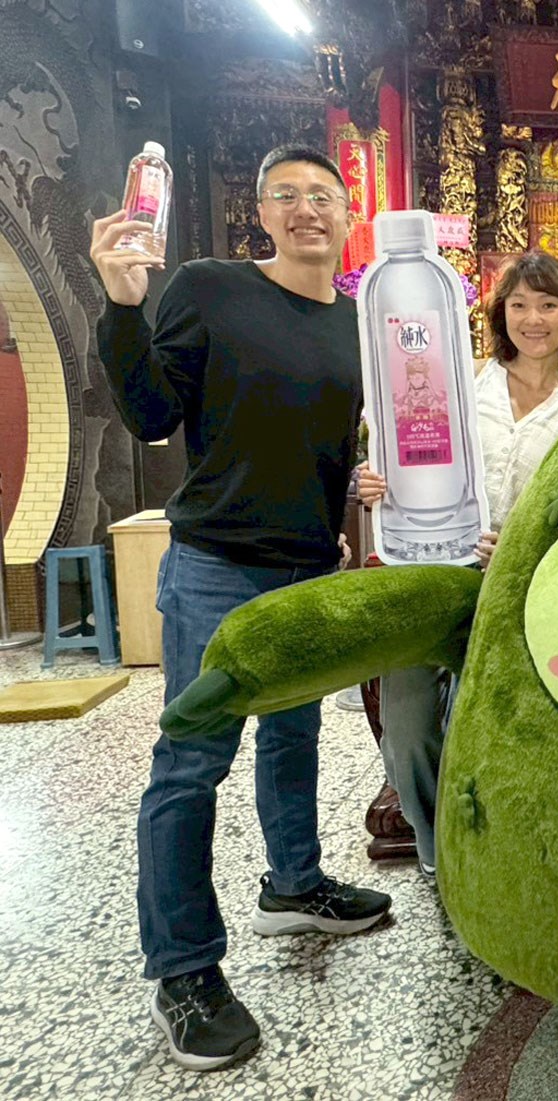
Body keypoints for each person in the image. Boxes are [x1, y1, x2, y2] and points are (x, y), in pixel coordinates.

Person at [90, 144, 392, 1071]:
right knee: (191, 765)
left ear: (347, 217)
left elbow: (332, 437)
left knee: (296, 735)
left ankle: (294, 884)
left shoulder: (356, 323)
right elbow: (150, 413)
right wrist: (123, 306)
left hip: (307, 563)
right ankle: (184, 969)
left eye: (324, 196)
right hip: (216, 564)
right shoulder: (210, 288)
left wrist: (354, 497)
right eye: (287, 195)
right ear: (261, 213)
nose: (308, 209)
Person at [359, 251, 558, 875]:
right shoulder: (459, 385)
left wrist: (521, 545)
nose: (532, 319)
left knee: (486, 720)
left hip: (515, 586)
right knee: (407, 721)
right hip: (432, 571)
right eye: (518, 305)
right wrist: (379, 480)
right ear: (501, 315)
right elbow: (409, 452)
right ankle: (436, 851)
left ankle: (483, 853)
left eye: (548, 305)